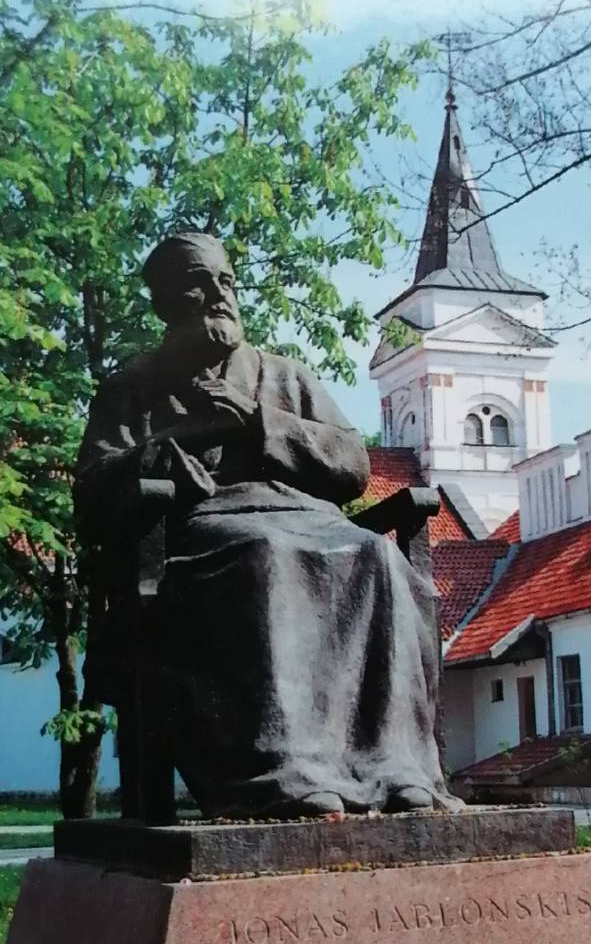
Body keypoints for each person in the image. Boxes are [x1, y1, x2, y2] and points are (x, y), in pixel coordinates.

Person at [75, 230, 455, 820]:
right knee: (265, 555)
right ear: (165, 301)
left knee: (378, 557)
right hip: (204, 530)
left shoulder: (287, 376)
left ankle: (397, 769)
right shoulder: (130, 388)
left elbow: (353, 466)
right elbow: (92, 490)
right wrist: (175, 444)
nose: (219, 294)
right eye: (198, 283)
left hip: (311, 519)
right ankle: (282, 774)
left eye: (226, 281)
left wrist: (260, 424)